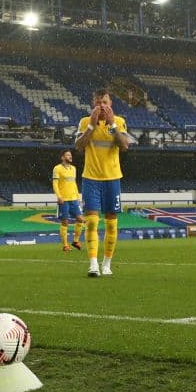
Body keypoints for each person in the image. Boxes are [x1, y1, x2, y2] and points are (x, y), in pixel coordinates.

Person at [74, 89, 130, 277]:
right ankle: (93, 265)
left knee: (111, 225)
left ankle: (106, 264)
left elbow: (124, 145)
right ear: (93, 104)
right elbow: (78, 146)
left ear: (110, 104)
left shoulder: (119, 121)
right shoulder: (85, 121)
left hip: (112, 178)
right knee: (91, 222)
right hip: (91, 179)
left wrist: (112, 124)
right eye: (98, 103)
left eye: (104, 102)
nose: (101, 106)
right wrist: (91, 125)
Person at [53, 149, 84, 251]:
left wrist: (78, 197)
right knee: (65, 222)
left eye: (70, 155)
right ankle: (65, 246)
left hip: (74, 199)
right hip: (64, 200)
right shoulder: (57, 168)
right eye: (67, 155)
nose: (70, 156)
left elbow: (74, 183)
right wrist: (59, 196)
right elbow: (55, 184)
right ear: (62, 157)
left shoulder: (73, 168)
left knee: (80, 219)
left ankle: (75, 241)